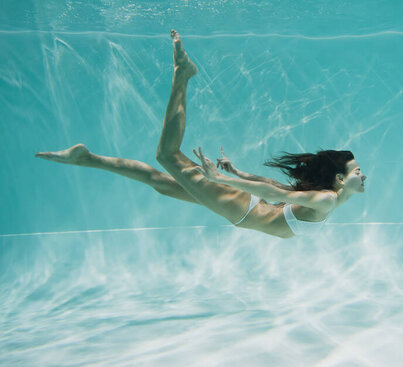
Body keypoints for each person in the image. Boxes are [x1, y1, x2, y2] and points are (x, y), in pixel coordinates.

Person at [35, 30, 367, 239]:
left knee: (163, 185)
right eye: (357, 172)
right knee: (167, 156)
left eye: (358, 171)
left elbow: (277, 190)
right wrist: (227, 180)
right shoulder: (327, 199)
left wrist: (236, 174)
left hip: (247, 204)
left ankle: (88, 159)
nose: (363, 175)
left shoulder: (328, 196)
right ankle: (183, 75)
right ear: (339, 180)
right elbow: (278, 195)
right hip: (243, 207)